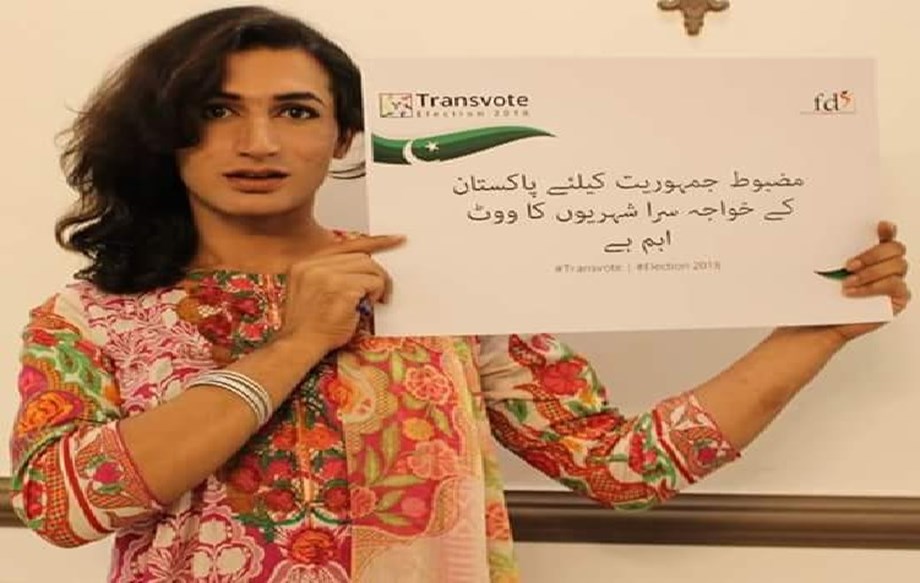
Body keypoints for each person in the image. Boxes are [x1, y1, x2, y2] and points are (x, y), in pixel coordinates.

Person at [7, 5, 911, 583]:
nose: (258, 141)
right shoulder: (94, 314)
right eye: (216, 110)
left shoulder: (444, 283)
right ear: (164, 133)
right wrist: (293, 343)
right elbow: (61, 508)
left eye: (296, 110)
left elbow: (624, 468)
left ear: (345, 135)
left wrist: (817, 330)